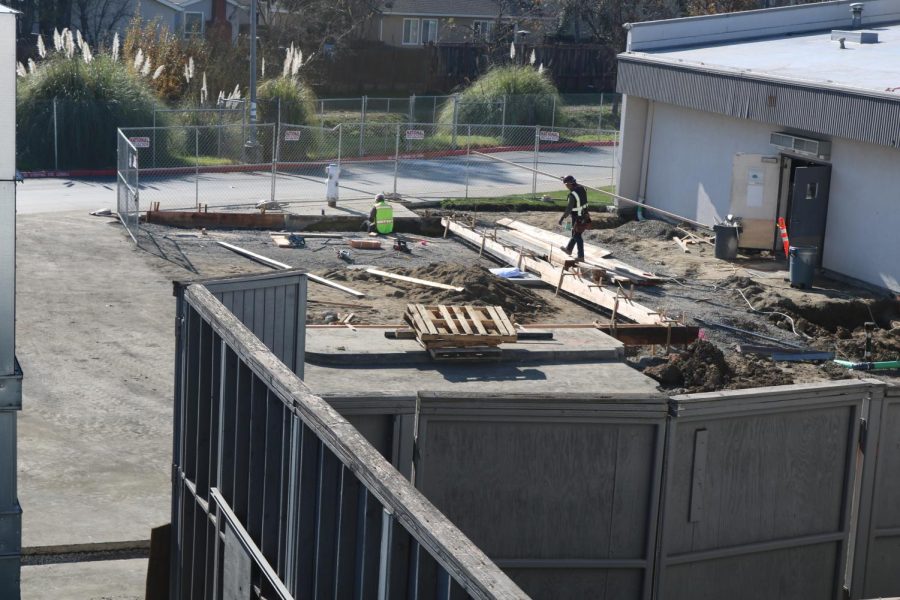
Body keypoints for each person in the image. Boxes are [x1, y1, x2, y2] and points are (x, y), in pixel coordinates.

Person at [557, 175, 591, 260]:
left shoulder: (572, 195)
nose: (566, 186)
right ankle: (569, 249)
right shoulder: (582, 188)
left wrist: (562, 218)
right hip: (585, 215)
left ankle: (581, 256)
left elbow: (569, 209)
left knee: (577, 236)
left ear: (569, 184)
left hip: (577, 217)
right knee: (575, 233)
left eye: (566, 184)